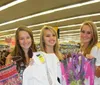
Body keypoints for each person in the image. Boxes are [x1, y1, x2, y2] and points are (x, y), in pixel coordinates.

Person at [80, 21, 100, 85]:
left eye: (88, 33)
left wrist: (92, 64)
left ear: (93, 35)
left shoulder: (96, 49)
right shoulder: (82, 49)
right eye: (83, 32)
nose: (84, 35)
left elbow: (98, 74)